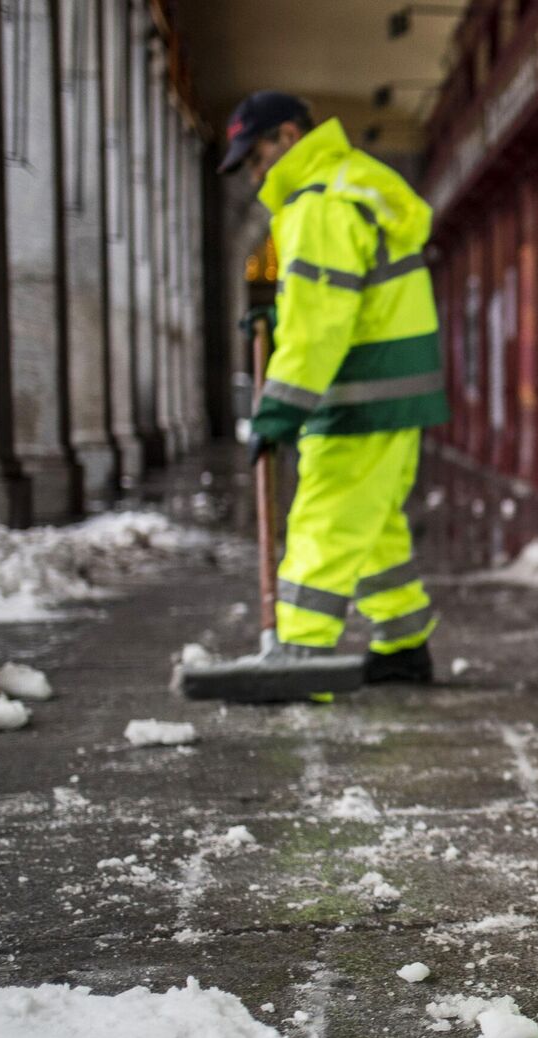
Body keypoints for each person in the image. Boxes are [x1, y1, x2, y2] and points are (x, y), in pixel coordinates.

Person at [218, 91, 449, 688]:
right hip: (388, 396)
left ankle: (298, 655)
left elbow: (321, 326)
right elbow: (332, 306)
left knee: (325, 522)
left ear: (288, 138)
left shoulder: (319, 204)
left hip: (356, 397)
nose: (253, 172)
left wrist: (276, 411)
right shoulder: (355, 184)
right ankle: (403, 642)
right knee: (371, 524)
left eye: (255, 155)